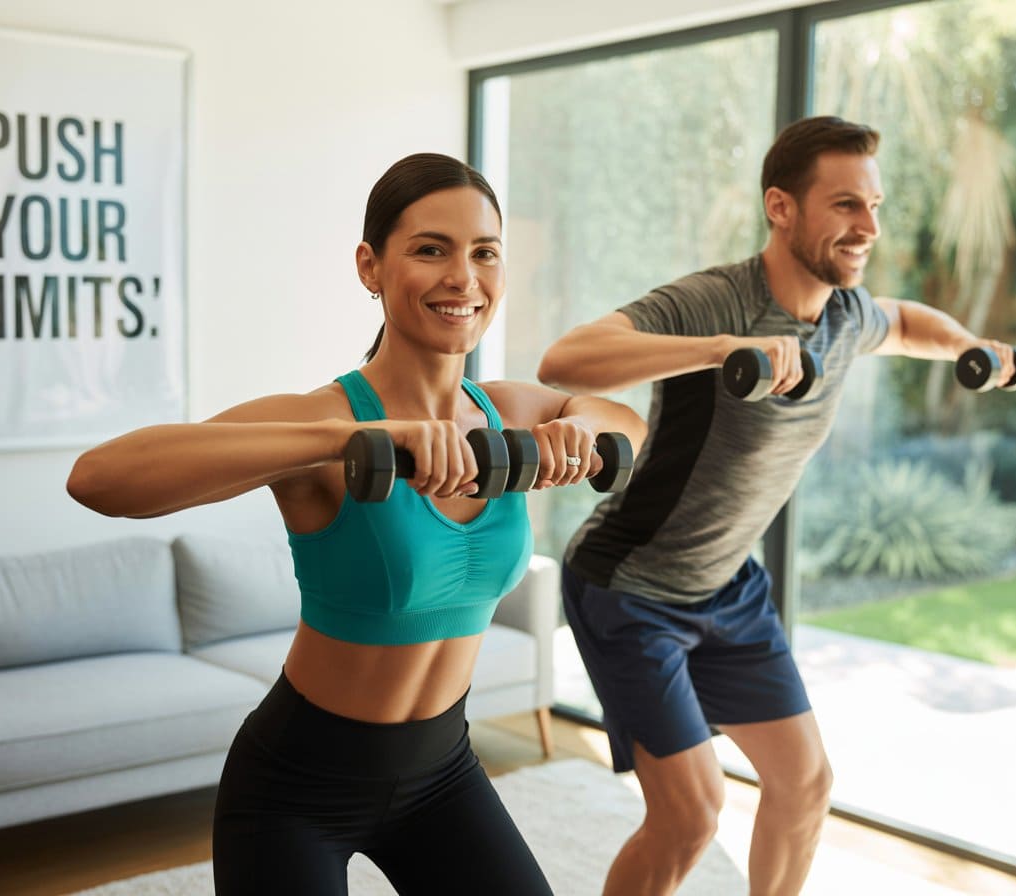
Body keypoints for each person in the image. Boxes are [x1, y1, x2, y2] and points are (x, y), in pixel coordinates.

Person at [66, 152, 646, 896]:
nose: (462, 278)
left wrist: (582, 429)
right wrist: (348, 441)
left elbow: (625, 420)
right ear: (370, 267)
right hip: (296, 787)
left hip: (444, 771)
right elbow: (99, 479)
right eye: (430, 249)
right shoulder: (327, 422)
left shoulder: (510, 412)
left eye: (484, 253)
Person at [536, 116, 1016, 896]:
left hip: (729, 585)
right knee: (692, 815)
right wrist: (720, 349)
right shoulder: (716, 298)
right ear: (781, 207)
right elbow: (567, 358)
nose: (867, 227)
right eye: (844, 205)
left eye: (874, 205)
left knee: (804, 786)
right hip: (630, 586)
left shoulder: (845, 314)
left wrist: (971, 343)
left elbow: (902, 322)